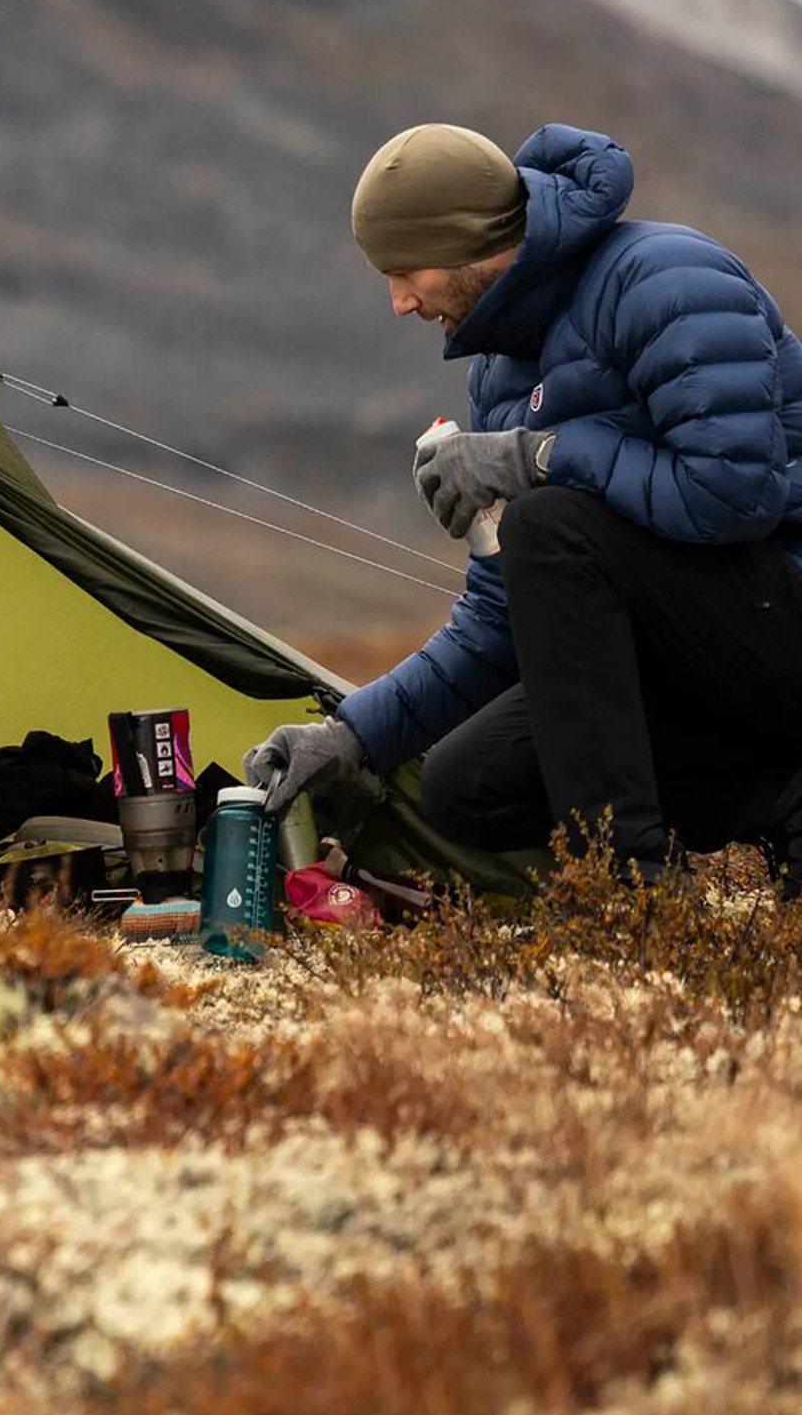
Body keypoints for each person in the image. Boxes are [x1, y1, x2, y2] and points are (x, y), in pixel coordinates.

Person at [245, 123, 802, 885]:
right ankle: (776, 802)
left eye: (407, 272)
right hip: (708, 660)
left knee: (550, 524)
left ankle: (627, 891)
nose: (400, 303)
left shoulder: (667, 282)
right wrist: (352, 736)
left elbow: (734, 497)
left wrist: (534, 459)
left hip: (782, 618)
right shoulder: (503, 377)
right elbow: (500, 619)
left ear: (471, 247)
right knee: (464, 784)